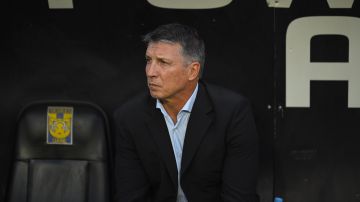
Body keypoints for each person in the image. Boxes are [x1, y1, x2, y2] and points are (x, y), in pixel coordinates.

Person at [114, 23, 259, 202]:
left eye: (163, 62)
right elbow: (131, 196)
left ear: (192, 71)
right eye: (148, 60)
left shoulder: (233, 113)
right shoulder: (129, 117)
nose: (151, 72)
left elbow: (239, 197)